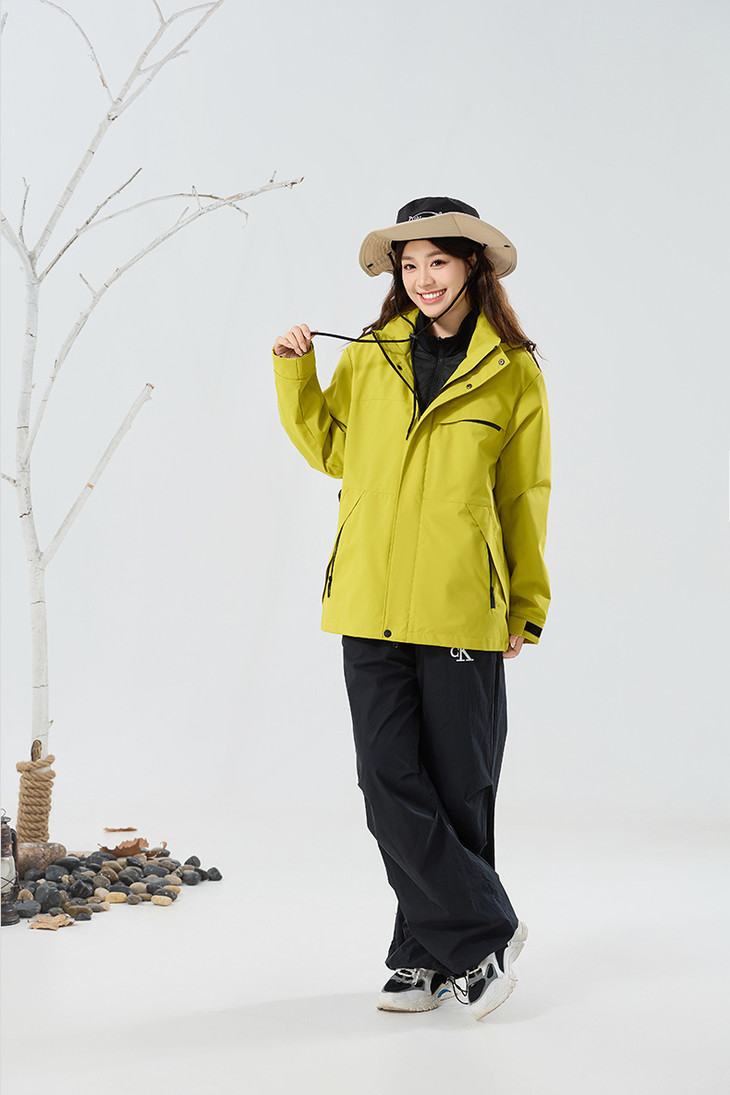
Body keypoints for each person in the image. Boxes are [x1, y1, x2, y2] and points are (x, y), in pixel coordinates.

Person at [272, 196, 550, 1020]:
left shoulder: (512, 369)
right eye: (410, 264)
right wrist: (296, 373)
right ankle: (486, 933)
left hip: (461, 602)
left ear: (471, 266)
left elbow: (524, 492)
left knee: (459, 787)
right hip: (368, 597)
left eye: (439, 261)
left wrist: (525, 604)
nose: (424, 278)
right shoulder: (371, 355)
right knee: (387, 780)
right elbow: (333, 449)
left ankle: (422, 954)